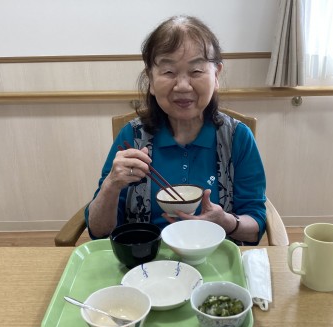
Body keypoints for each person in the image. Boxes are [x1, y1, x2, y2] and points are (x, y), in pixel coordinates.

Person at [85, 15, 267, 244]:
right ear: (151, 80)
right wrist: (111, 185)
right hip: (147, 259)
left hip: (215, 257)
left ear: (216, 75)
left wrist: (227, 222)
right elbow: (98, 231)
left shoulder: (237, 137)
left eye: (196, 71)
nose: (182, 86)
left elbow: (256, 226)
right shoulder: (133, 137)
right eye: (168, 72)